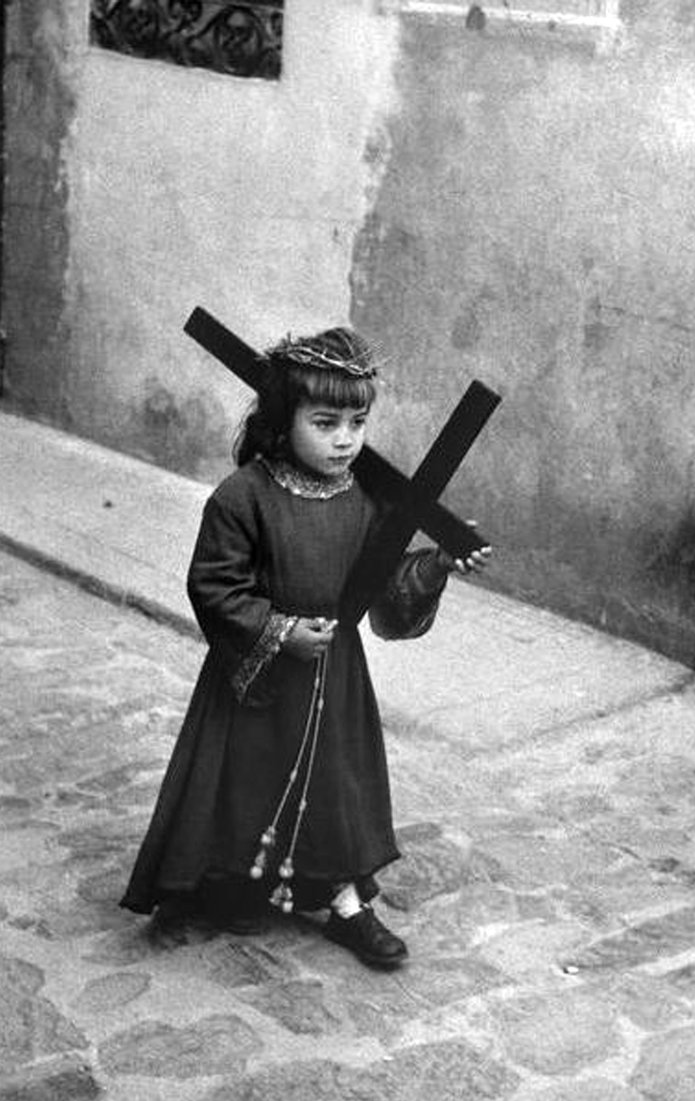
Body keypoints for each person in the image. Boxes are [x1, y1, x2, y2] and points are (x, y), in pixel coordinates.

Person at [120, 327, 491, 968]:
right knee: (243, 780)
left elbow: (389, 589)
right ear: (281, 419)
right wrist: (279, 633)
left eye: (357, 421)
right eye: (325, 422)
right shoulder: (243, 497)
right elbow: (215, 585)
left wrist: (436, 567)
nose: (345, 439)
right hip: (258, 675)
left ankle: (348, 904)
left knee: (337, 784)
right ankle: (235, 882)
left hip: (335, 673)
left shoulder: (368, 503)